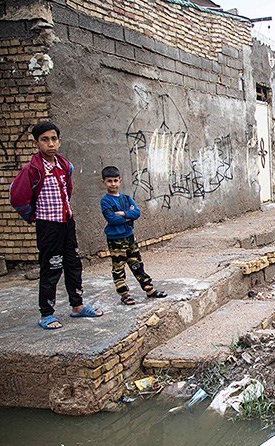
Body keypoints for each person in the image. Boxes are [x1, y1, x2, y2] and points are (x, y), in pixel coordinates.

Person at [10, 121, 103, 330]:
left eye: (54, 139)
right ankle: (47, 313)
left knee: (73, 264)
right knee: (51, 268)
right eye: (45, 140)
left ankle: (77, 306)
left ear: (59, 141)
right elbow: (18, 198)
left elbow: (67, 191)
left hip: (66, 222)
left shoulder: (63, 165)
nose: (50, 144)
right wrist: (33, 216)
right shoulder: (32, 169)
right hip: (48, 226)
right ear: (37, 143)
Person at [99, 165, 167, 305]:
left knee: (137, 264)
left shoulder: (126, 198)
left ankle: (149, 289)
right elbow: (112, 219)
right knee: (119, 267)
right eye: (109, 181)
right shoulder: (105, 201)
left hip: (129, 237)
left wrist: (123, 214)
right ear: (104, 182)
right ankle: (124, 294)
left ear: (120, 181)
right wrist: (129, 216)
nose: (113, 184)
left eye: (115, 180)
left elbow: (137, 213)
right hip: (115, 239)